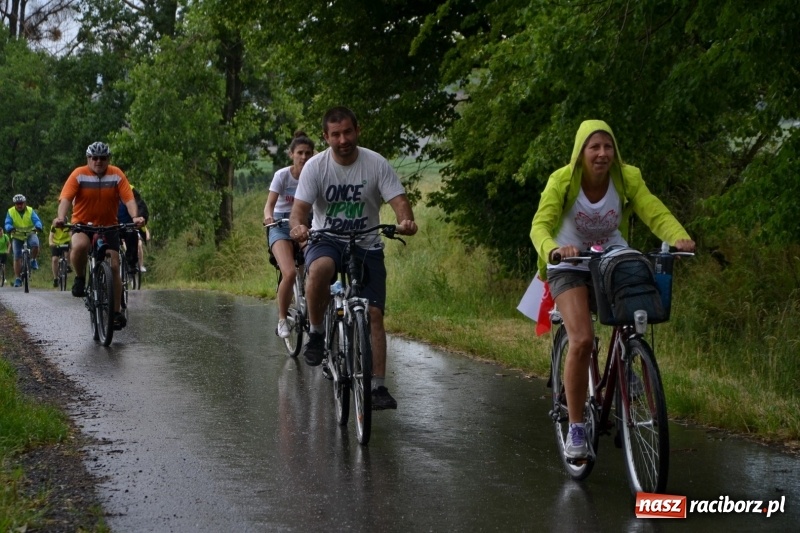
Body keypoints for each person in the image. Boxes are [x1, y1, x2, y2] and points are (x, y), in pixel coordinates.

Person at [530, 119, 695, 460]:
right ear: (581, 153)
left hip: (611, 258)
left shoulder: (627, 177)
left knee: (634, 311)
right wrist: (553, 250)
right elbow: (540, 225)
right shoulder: (562, 181)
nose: (603, 153)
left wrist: (677, 235)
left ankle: (627, 361)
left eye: (608, 147)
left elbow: (653, 210)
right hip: (568, 264)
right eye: (595, 147)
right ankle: (576, 429)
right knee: (583, 339)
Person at [289, 106, 418, 410]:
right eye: (335, 134)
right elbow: (299, 209)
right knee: (319, 268)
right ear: (326, 137)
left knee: (373, 314)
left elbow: (399, 201)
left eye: (348, 132)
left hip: (367, 241)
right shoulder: (316, 167)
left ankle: (377, 387)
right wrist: (298, 226)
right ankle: (318, 332)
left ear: (357, 131)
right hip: (327, 238)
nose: (343, 139)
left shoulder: (375, 163)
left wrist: (406, 221)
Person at [54, 142, 145, 330]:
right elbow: (66, 199)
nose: (98, 161)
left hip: (109, 226)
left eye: (102, 158)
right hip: (82, 225)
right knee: (79, 246)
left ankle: (115, 313)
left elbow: (128, 199)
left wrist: (135, 216)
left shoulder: (116, 174)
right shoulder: (78, 174)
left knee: (114, 265)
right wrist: (61, 217)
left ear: (108, 159)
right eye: (94, 158)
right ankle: (80, 278)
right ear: (88, 159)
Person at [264, 131, 315, 338]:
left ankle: (313, 312)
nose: (304, 158)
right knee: (290, 272)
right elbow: (269, 206)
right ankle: (282, 318)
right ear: (291, 154)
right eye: (300, 153)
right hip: (281, 223)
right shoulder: (282, 176)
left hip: (306, 222)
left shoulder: (314, 175)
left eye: (308, 154)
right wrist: (268, 218)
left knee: (316, 268)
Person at [4, 194, 44, 287]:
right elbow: (7, 222)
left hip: (30, 233)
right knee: (17, 256)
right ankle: (18, 278)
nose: (19, 205)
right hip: (17, 236)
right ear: (15, 204)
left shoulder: (30, 210)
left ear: (24, 203)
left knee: (35, 244)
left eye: (21, 203)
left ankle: (33, 260)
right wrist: (9, 227)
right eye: (17, 204)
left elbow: (37, 221)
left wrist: (38, 226)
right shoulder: (10, 211)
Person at [117, 184, 150, 274]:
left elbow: (140, 205)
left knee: (132, 235)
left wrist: (142, 217)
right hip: (111, 222)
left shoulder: (130, 189)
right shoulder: (103, 187)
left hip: (128, 222)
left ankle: (131, 263)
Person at [49, 222, 72, 287]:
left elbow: (71, 236)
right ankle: (55, 278)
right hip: (56, 243)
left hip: (65, 243)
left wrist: (72, 243)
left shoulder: (68, 226)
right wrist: (51, 243)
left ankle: (67, 265)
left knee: (67, 252)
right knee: (54, 260)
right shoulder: (54, 226)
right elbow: (51, 236)